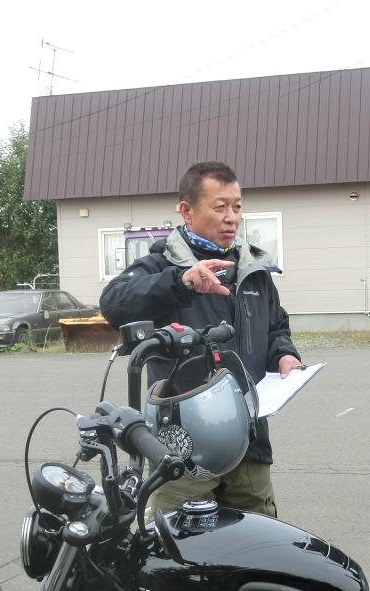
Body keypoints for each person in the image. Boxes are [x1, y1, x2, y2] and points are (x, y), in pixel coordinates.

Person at [100, 161, 302, 518]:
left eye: (237, 207)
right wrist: (180, 283)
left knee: (258, 541)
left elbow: (276, 327)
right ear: (187, 211)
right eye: (220, 207)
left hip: (249, 443)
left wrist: (284, 354)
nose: (232, 218)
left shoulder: (253, 270)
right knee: (179, 545)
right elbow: (113, 304)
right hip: (182, 448)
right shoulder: (161, 265)